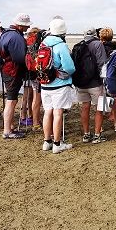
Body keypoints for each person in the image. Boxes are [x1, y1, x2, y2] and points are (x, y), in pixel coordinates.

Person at [40, 16, 76, 154]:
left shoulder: (43, 44)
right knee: (58, 113)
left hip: (45, 83)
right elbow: (70, 67)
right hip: (59, 85)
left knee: (47, 112)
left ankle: (46, 142)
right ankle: (57, 143)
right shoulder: (61, 46)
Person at [0, 13, 31, 139]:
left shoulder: (5, 33)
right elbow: (19, 58)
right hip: (13, 71)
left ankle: (10, 126)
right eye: (26, 26)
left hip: (7, 69)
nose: (27, 28)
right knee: (11, 100)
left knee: (11, 99)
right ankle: (7, 130)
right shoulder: (16, 36)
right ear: (20, 25)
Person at [75, 26, 108, 144]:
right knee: (99, 108)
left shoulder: (79, 45)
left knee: (85, 107)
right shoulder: (98, 44)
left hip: (81, 83)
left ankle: (86, 134)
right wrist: (105, 80)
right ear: (96, 34)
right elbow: (102, 64)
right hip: (95, 83)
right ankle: (97, 135)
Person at [21, 27, 44, 130]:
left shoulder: (26, 42)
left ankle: (30, 117)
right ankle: (36, 121)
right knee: (37, 97)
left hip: (28, 71)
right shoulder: (37, 41)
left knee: (30, 96)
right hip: (36, 72)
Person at [99, 27, 116, 132]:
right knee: (114, 102)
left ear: (101, 37)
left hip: (103, 76)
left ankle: (101, 126)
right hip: (114, 76)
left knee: (103, 101)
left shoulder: (100, 48)